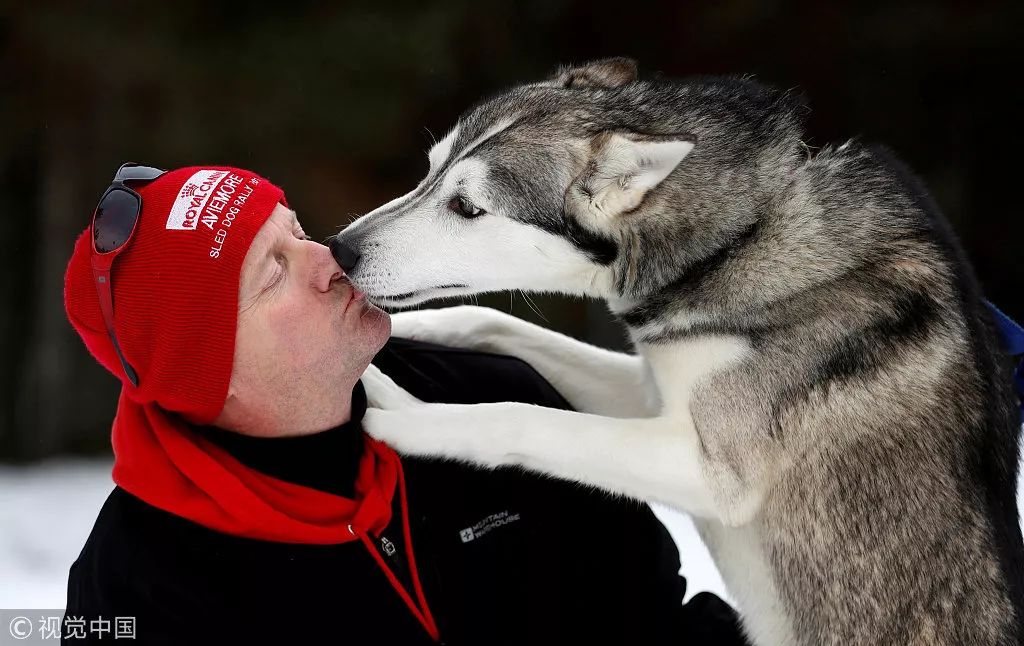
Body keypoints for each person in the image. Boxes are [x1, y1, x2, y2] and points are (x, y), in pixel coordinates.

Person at [61, 163, 747, 645]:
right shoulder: (137, 588)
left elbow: (656, 624)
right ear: (208, 375)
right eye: (274, 272)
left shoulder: (491, 401)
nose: (330, 258)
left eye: (297, 232)